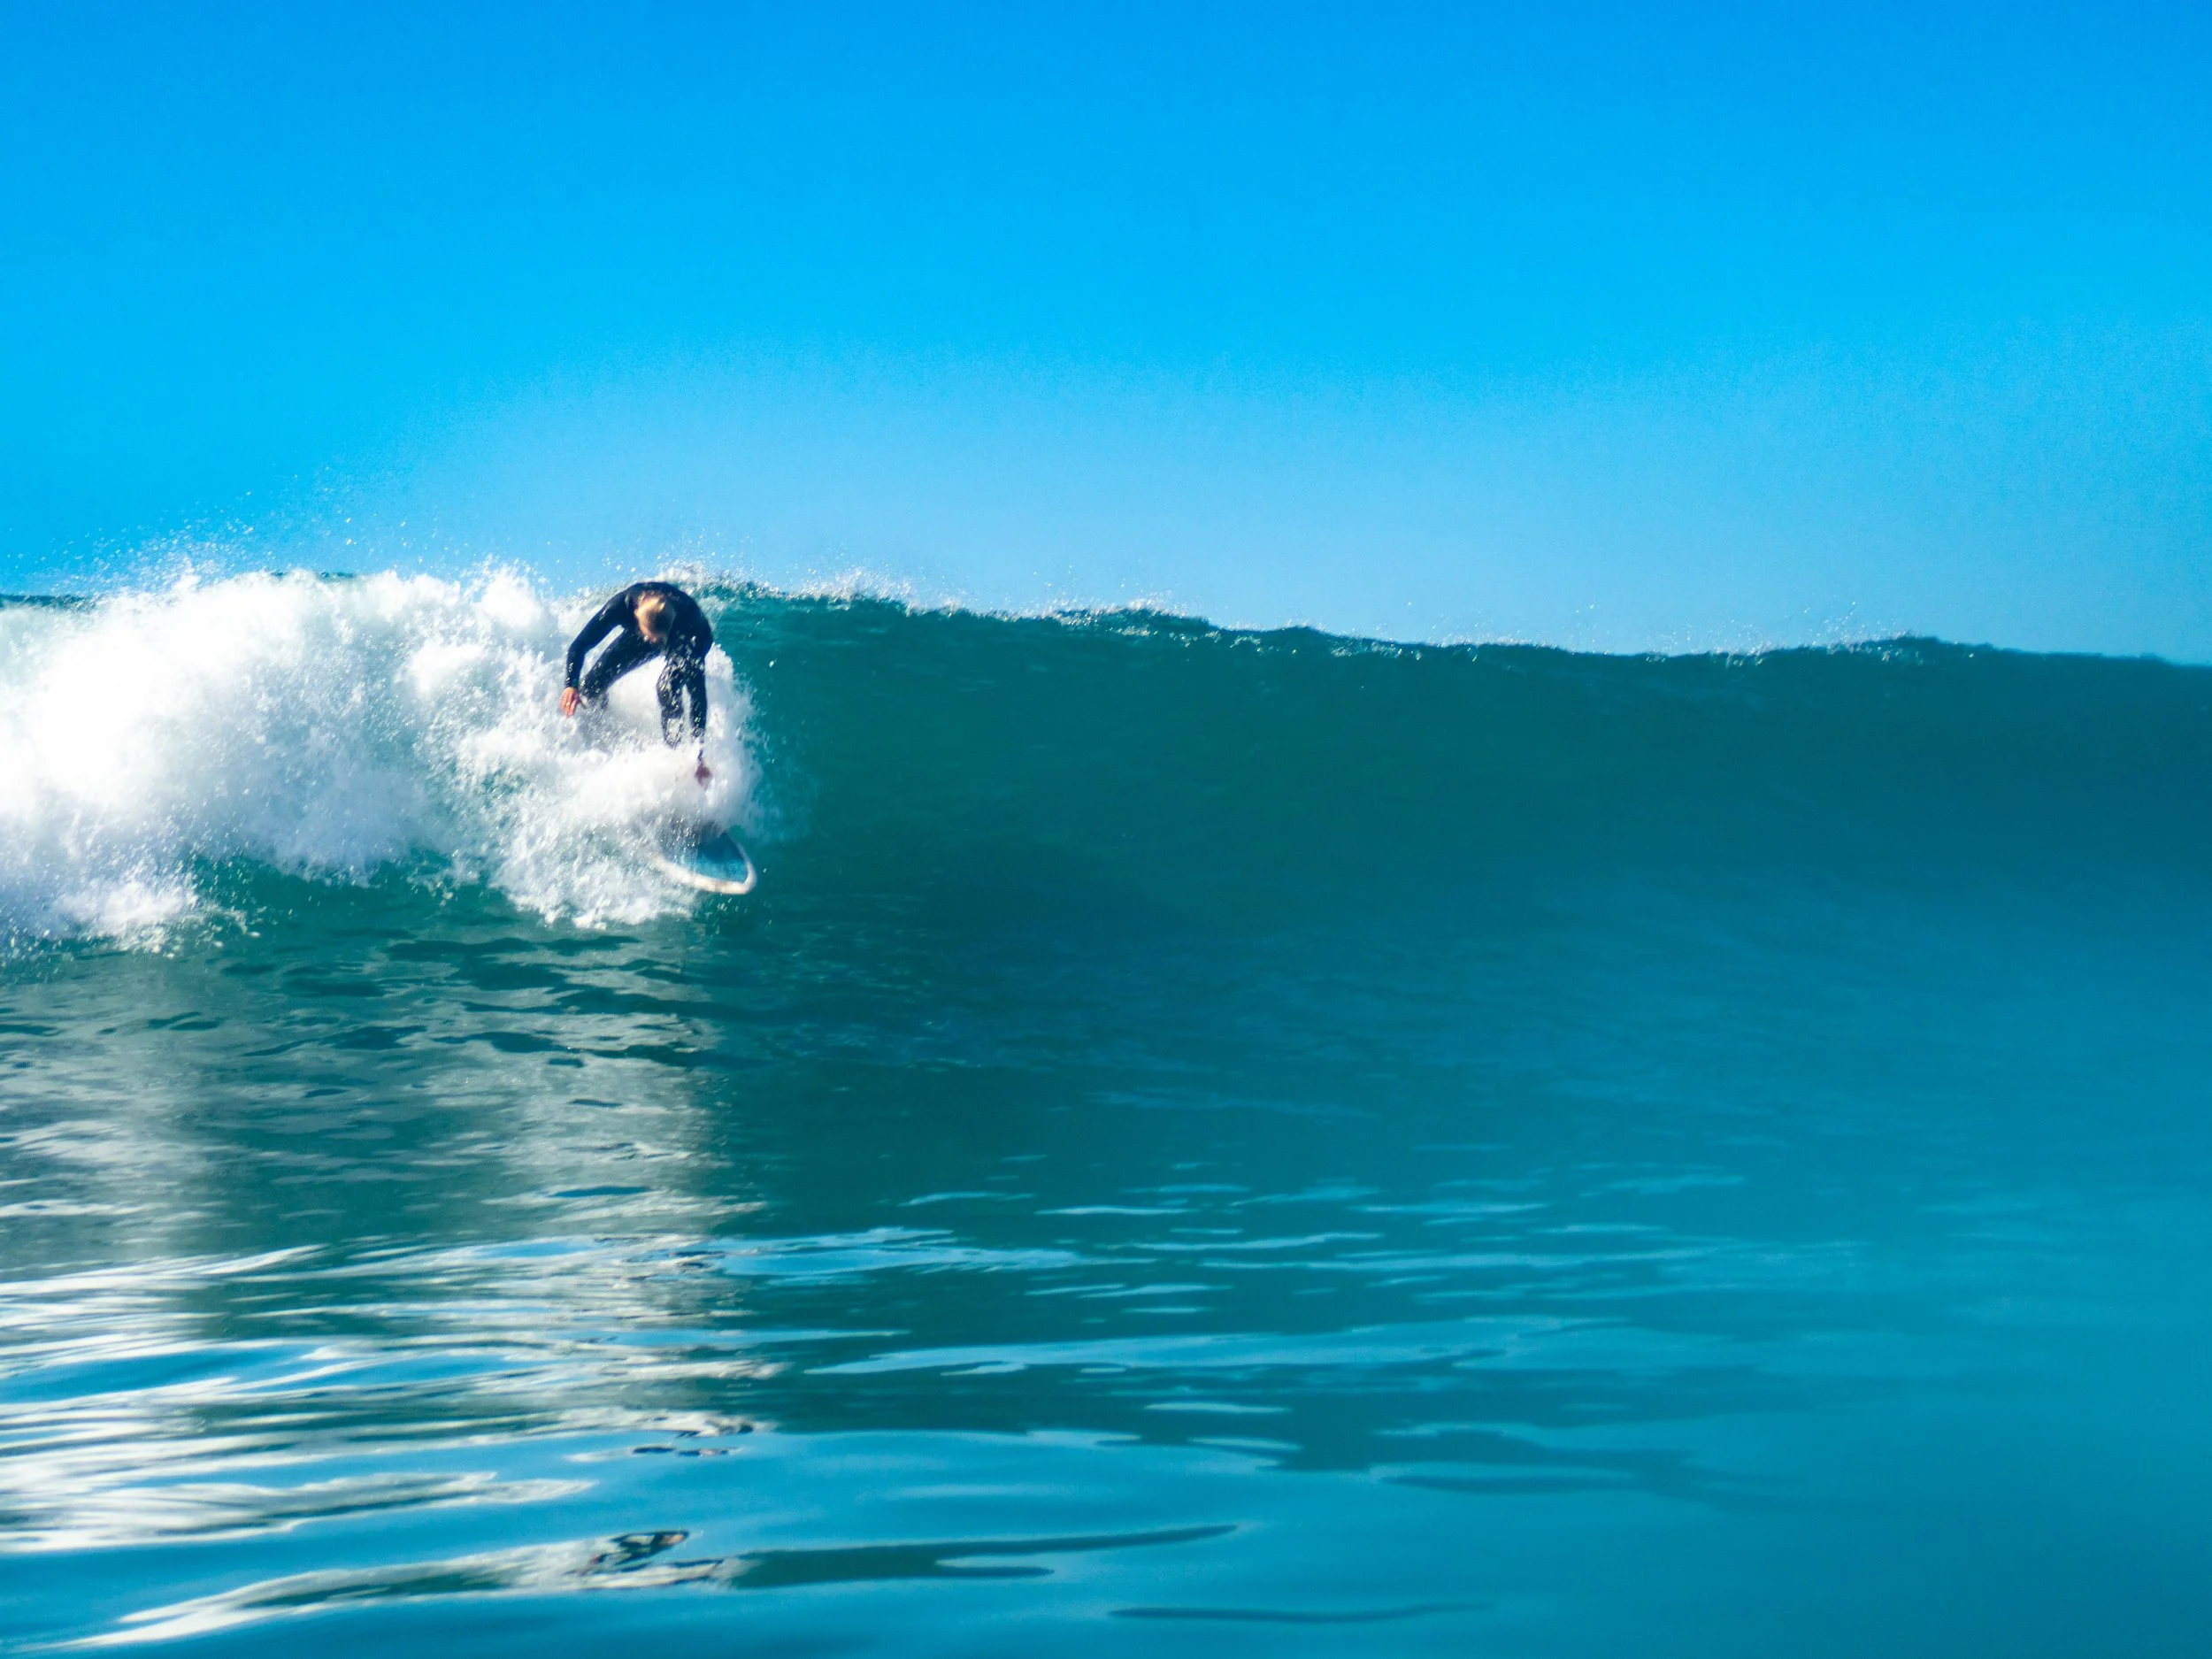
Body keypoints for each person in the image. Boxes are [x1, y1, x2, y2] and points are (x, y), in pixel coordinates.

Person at [559, 581, 715, 781]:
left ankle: (675, 756)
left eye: (658, 640)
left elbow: (698, 697)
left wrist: (698, 755)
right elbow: (578, 646)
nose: (657, 644)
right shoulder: (620, 608)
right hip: (645, 631)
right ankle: (599, 729)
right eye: (654, 639)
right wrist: (570, 685)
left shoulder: (682, 632)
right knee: (591, 687)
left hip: (693, 637)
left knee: (666, 688)